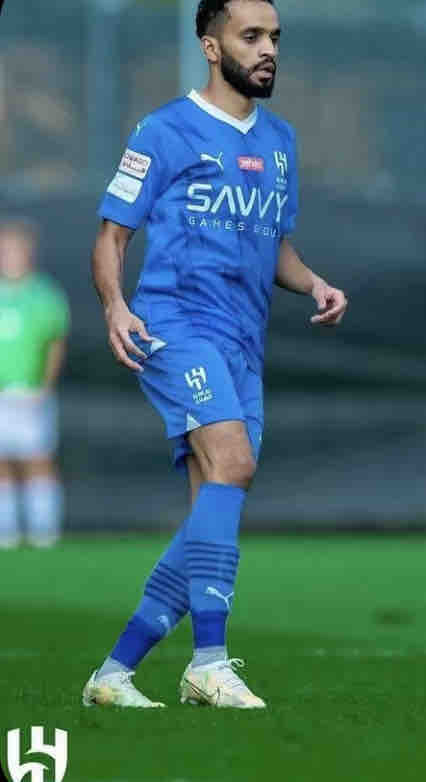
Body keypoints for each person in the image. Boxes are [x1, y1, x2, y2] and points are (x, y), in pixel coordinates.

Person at [83, 0, 347, 710]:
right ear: (210, 45)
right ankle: (208, 663)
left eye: (275, 38)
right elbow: (111, 236)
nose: (268, 50)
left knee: (212, 510)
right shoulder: (163, 130)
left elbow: (274, 243)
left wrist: (314, 283)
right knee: (233, 462)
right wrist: (115, 306)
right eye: (251, 36)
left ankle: (113, 673)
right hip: (174, 327)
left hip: (242, 343)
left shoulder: (281, 141)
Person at [0, 220, 69, 550]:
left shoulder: (44, 295)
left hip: (31, 393)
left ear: (28, 252)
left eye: (15, 249)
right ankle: (7, 533)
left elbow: (55, 343)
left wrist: (44, 386)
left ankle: (44, 532)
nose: (9, 256)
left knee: (37, 459)